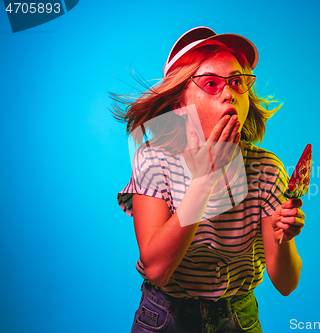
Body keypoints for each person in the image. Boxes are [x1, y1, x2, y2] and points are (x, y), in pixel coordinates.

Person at [111, 27, 305, 333]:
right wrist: (205, 179)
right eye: (211, 84)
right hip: (165, 317)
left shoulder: (267, 170)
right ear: (179, 104)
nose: (229, 93)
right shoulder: (154, 162)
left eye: (237, 82)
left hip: (238, 318)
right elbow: (157, 270)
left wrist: (286, 238)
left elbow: (285, 284)